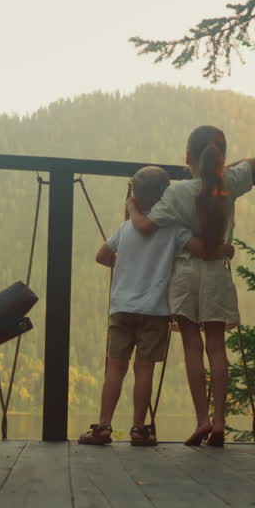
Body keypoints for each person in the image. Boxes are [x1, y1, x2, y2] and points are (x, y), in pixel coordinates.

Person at [79, 166, 229, 446]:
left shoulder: (125, 228)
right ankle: (138, 428)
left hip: (121, 308)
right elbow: (202, 250)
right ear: (166, 198)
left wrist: (123, 265)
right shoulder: (174, 229)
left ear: (134, 195)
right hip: (155, 311)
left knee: (115, 368)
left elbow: (102, 256)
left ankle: (102, 427)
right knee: (143, 369)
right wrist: (225, 250)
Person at [128, 125, 255, 447]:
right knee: (217, 347)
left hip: (186, 274)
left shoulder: (176, 192)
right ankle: (219, 421)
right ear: (221, 157)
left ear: (188, 157)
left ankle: (201, 419)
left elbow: (144, 227)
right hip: (216, 273)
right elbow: (254, 162)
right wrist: (226, 168)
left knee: (192, 348)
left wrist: (132, 206)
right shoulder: (230, 181)